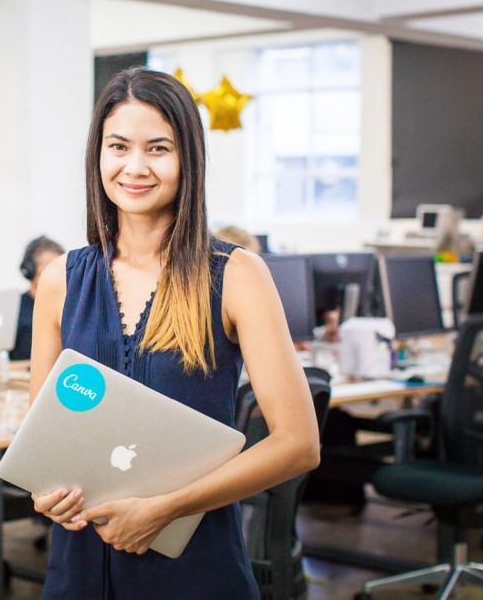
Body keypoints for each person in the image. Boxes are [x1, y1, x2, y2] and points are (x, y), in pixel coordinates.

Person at [28, 67, 320, 598]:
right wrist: (46, 493)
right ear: (98, 155)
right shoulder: (60, 280)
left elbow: (298, 444)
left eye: (158, 149)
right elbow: (43, 443)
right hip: (78, 571)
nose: (135, 166)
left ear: (188, 159)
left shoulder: (236, 275)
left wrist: (165, 509)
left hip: (195, 567)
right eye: (119, 146)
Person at [11, 235, 64, 361]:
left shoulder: (69, 307)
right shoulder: (14, 308)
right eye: (51, 268)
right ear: (29, 270)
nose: (60, 275)